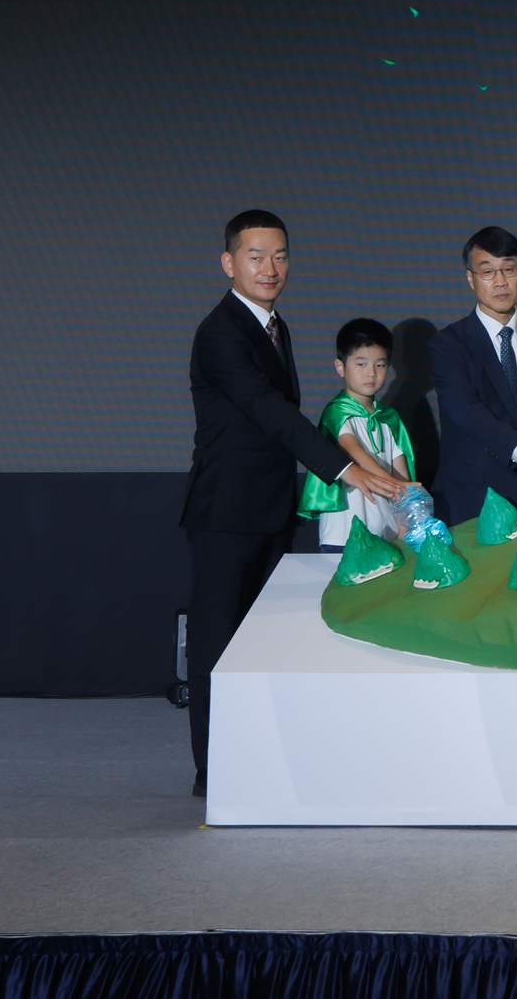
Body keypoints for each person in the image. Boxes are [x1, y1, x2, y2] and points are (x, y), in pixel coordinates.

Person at [179, 210, 403, 797]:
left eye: (279, 255)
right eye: (255, 256)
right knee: (215, 643)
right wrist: (348, 469)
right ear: (229, 262)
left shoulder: (276, 326)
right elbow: (272, 414)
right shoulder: (221, 331)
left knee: (256, 644)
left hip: (270, 511)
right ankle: (213, 771)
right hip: (226, 514)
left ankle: (253, 758)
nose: (269, 267)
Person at [428, 227, 517, 523]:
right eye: (488, 271)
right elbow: (465, 411)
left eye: (509, 269)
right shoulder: (448, 344)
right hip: (473, 501)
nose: (501, 281)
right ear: (471, 279)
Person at [297, 318, 418, 551]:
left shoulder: (390, 418)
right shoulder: (337, 411)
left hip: (387, 532)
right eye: (361, 364)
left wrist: (405, 519)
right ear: (340, 367)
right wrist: (393, 485)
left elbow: (401, 473)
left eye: (380, 365)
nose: (371, 373)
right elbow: (352, 451)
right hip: (344, 534)